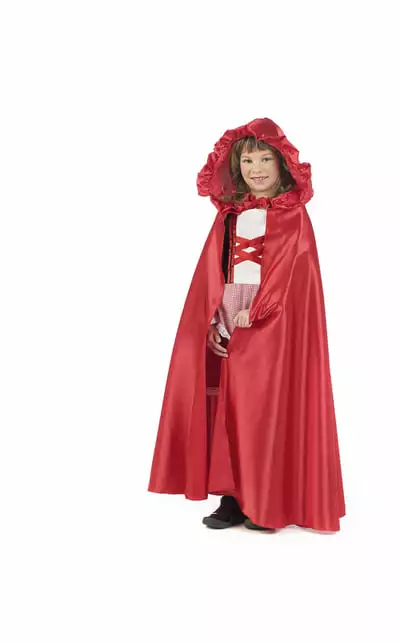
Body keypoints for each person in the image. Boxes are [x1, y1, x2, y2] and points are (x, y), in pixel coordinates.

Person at [148, 117, 346, 533]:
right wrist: (211, 317)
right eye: (248, 160)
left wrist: (257, 310)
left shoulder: (293, 216)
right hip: (229, 309)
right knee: (227, 403)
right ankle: (231, 495)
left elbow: (292, 272)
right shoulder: (230, 216)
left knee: (260, 407)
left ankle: (264, 500)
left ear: (282, 164)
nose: (256, 169)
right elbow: (214, 270)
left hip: (271, 318)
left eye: (265, 159)